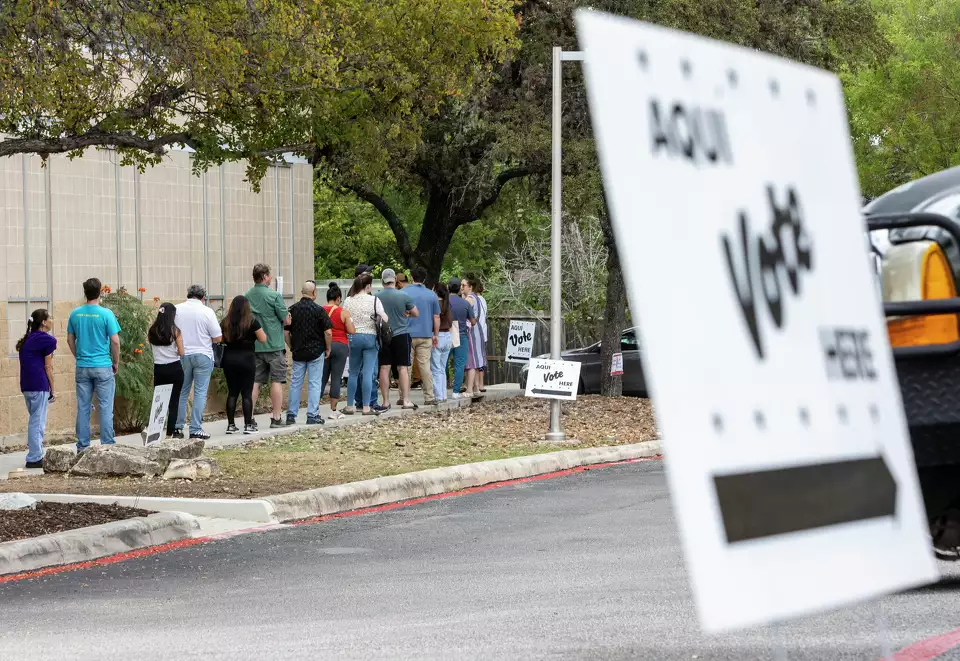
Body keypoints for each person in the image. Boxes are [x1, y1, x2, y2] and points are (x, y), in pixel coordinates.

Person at [67, 278, 121, 451]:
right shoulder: (106, 314)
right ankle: (107, 446)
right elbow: (115, 341)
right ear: (100, 292)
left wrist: (78, 356)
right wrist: (116, 362)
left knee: (83, 407)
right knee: (105, 408)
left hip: (82, 366)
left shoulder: (75, 314)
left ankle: (82, 447)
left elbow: (69, 339)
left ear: (85, 292)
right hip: (103, 365)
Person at [245, 263, 292, 429]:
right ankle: (277, 417)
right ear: (264, 276)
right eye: (270, 275)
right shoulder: (274, 296)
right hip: (274, 345)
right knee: (277, 381)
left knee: (255, 382)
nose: (271, 278)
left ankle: (249, 418)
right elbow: (286, 320)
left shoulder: (247, 296)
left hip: (256, 346)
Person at [173, 284, 222, 440]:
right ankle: (195, 428)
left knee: (182, 392)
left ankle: (177, 428)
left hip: (182, 355)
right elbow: (217, 337)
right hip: (203, 355)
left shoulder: (176, 309)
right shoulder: (207, 311)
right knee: (200, 392)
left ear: (188, 295)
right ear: (203, 298)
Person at [285, 281, 333, 425]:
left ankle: (291, 415)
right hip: (316, 351)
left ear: (302, 292)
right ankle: (312, 415)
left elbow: (286, 332)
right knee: (314, 383)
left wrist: (292, 346)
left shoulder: (292, 310)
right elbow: (328, 332)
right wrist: (328, 348)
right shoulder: (319, 311)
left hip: (298, 351)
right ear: (314, 293)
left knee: (295, 383)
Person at [341, 272, 387, 416]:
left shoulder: (348, 300)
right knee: (367, 372)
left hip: (354, 337)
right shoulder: (374, 300)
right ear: (368, 286)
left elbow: (344, 317)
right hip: (370, 338)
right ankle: (366, 407)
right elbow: (385, 317)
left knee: (353, 372)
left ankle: (350, 405)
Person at [220, 295, 267, 434]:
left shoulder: (225, 322)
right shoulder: (251, 321)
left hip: (229, 360)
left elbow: (220, 339)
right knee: (246, 393)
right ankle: (248, 425)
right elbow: (263, 339)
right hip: (247, 359)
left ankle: (231, 425)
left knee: (232, 392)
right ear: (247, 307)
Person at [17, 309, 56, 468]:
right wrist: (53, 389)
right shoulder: (47, 340)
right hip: (39, 385)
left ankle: (36, 453)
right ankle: (34, 457)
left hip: (27, 386)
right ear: (44, 322)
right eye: (50, 317)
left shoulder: (28, 339)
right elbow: (49, 367)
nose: (52, 319)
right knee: (37, 422)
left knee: (36, 420)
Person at [375, 268, 418, 411]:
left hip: (384, 336)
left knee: (384, 368)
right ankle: (406, 400)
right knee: (403, 368)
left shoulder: (377, 297)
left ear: (382, 281)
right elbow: (415, 313)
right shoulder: (404, 296)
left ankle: (386, 401)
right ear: (394, 280)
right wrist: (406, 315)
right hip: (401, 334)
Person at [148, 303, 185, 440]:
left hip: (159, 368)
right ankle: (169, 436)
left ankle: (153, 435)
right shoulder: (175, 331)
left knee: (158, 402)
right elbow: (182, 352)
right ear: (172, 315)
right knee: (173, 403)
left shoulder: (152, 330)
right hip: (174, 368)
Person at [404, 266, 440, 406]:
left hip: (407, 334)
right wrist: (435, 334)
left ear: (412, 277)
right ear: (424, 279)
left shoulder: (403, 293)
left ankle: (404, 396)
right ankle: (429, 396)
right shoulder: (432, 295)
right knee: (425, 366)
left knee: (406, 366)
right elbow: (436, 316)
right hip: (425, 334)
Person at [320, 282, 355, 420]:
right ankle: (333, 410)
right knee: (336, 378)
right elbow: (352, 331)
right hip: (340, 346)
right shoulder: (344, 312)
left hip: (324, 346)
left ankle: (314, 409)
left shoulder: (320, 310)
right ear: (339, 298)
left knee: (321, 378)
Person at [447, 278, 475, 400]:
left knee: (442, 363)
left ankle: (441, 388)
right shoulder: (465, 303)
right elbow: (473, 322)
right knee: (459, 364)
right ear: (459, 288)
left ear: (448, 288)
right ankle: (456, 391)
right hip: (461, 335)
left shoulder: (443, 302)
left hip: (446, 333)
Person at [463, 274, 488, 397]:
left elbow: (466, 316)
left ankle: (469, 389)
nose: (462, 288)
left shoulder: (469, 299)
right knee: (477, 360)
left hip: (471, 330)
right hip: (478, 330)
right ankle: (477, 387)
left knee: (471, 361)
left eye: (464, 285)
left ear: (470, 286)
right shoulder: (478, 298)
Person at [430, 283, 454, 404]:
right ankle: (443, 394)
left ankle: (438, 395)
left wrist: (435, 334)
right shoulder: (447, 305)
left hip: (437, 335)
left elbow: (433, 320)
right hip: (448, 336)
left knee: (435, 368)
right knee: (442, 368)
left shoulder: (435, 305)